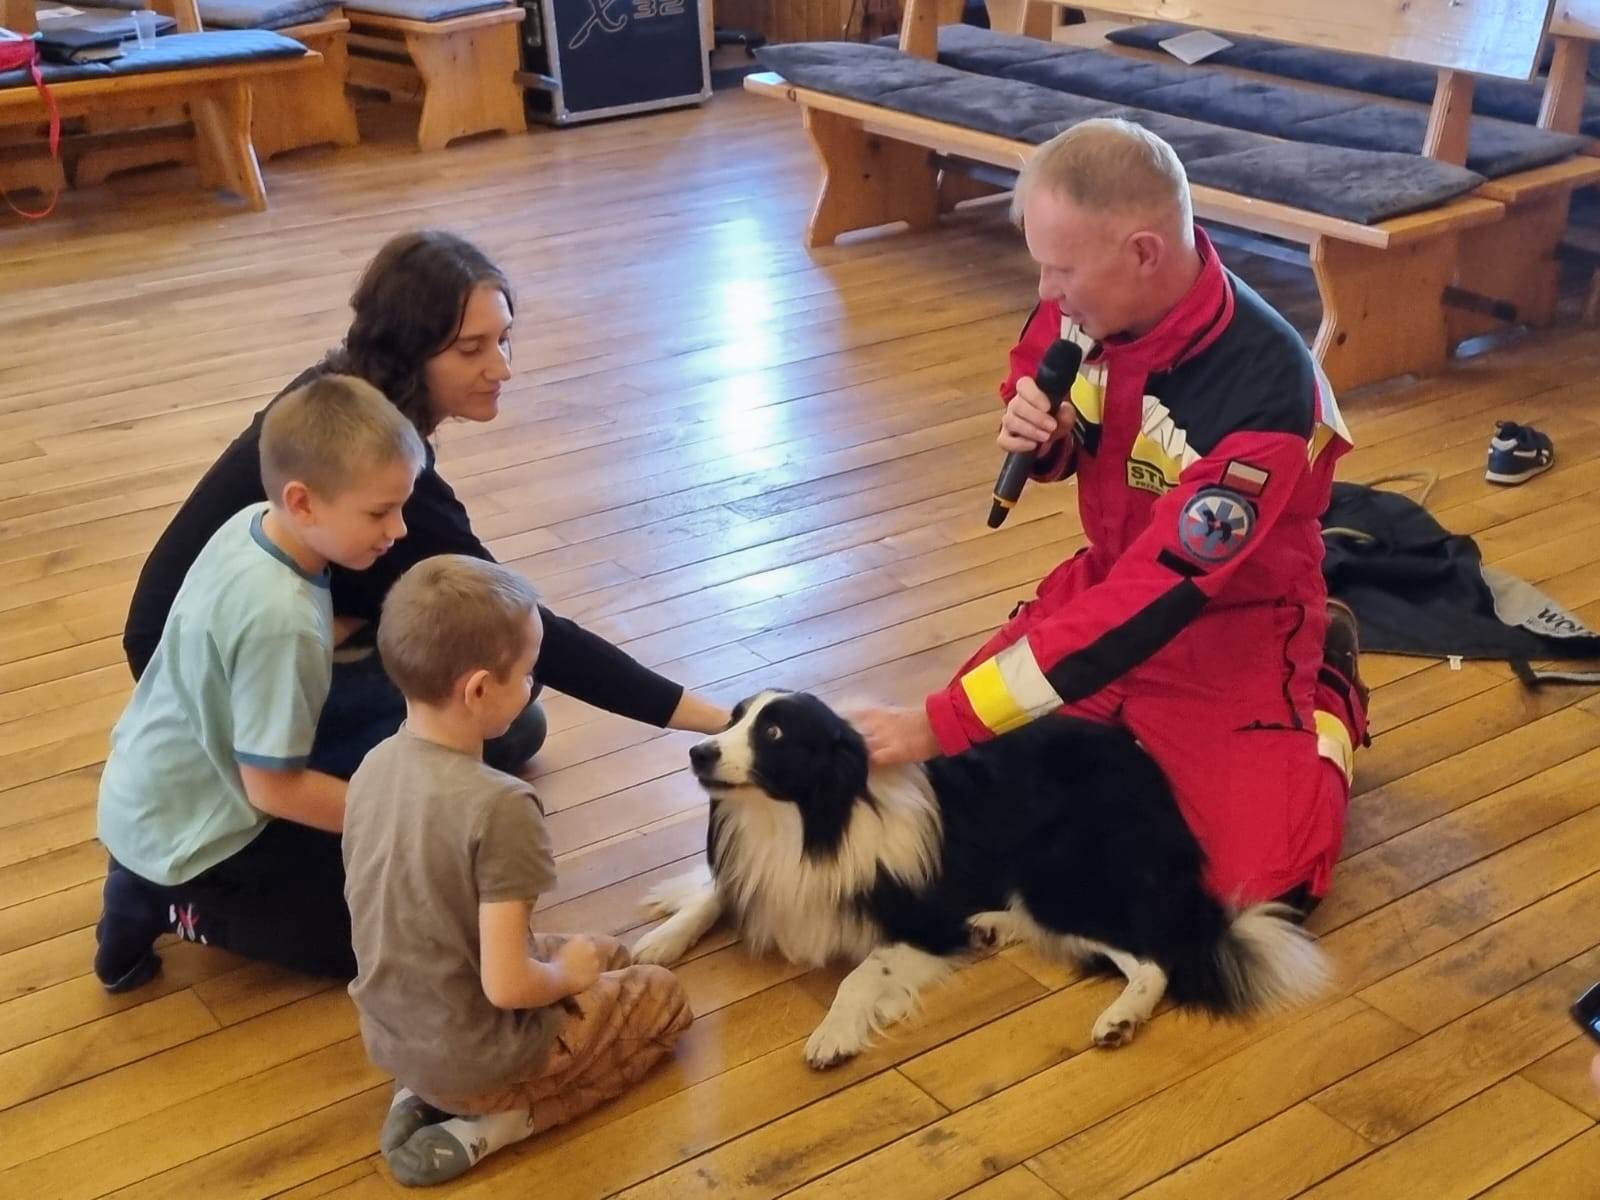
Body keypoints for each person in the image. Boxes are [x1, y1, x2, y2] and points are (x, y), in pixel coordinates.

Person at [848, 119, 1370, 914]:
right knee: (959, 792)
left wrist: (940, 719)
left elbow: (1152, 599)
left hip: (1231, 624)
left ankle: (1326, 694)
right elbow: (1044, 387)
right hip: (1108, 584)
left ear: (1143, 253)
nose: (1044, 292)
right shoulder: (1083, 307)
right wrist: (1046, 440)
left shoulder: (1265, 387)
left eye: (1061, 268)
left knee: (1258, 889)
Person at [121, 229, 729, 781]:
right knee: (509, 709)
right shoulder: (376, 470)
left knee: (506, 689)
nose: (501, 369)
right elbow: (517, 623)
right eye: (471, 350)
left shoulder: (343, 396)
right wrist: (718, 720)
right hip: (191, 676)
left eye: (503, 339)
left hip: (190, 642)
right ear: (410, 352)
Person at [344, 555, 692, 1188]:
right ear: (479, 690)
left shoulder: (374, 765)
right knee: (664, 1000)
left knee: (612, 955)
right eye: (529, 671)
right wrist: (565, 977)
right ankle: (504, 1120)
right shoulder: (502, 806)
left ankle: (421, 1092)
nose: (534, 684)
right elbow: (506, 986)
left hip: (393, 1034)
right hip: (483, 1057)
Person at [94, 375, 426, 993]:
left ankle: (145, 870)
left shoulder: (253, 522)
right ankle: (152, 899)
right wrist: (402, 817)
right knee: (371, 939)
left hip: (150, 782)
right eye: (380, 512)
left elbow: (247, 634)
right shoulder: (284, 624)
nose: (400, 528)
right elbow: (274, 789)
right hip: (195, 834)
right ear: (304, 502)